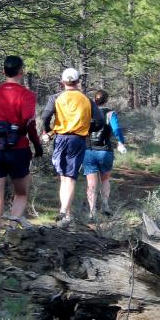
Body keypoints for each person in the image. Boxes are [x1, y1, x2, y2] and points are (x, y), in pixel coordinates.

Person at [0, 55, 42, 259]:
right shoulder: (27, 95)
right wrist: (37, 146)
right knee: (20, 194)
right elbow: (28, 121)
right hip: (19, 149)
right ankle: (11, 234)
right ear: (21, 71)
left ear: (4, 72)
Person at [41, 68, 104, 228]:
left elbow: (45, 116)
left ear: (62, 82)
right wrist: (89, 130)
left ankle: (65, 213)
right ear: (77, 82)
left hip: (60, 138)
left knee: (64, 177)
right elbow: (100, 121)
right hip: (78, 139)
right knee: (69, 177)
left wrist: (47, 130)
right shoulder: (86, 99)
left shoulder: (55, 97)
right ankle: (65, 212)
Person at [83, 90, 126, 219]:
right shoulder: (110, 113)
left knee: (91, 182)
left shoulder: (87, 112)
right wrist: (121, 142)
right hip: (105, 151)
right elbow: (117, 129)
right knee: (105, 179)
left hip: (89, 150)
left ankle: (92, 211)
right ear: (107, 100)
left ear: (94, 100)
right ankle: (105, 205)